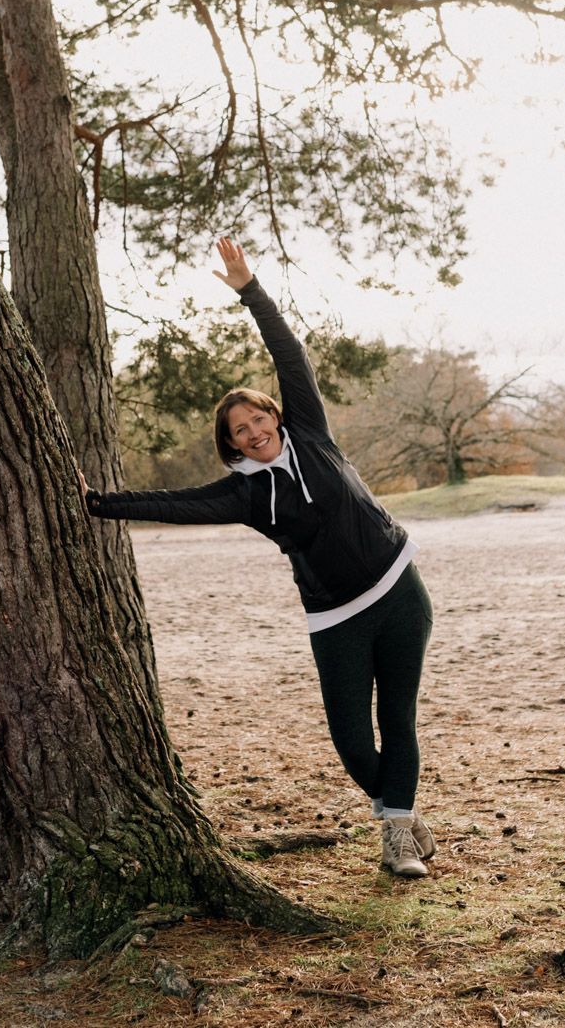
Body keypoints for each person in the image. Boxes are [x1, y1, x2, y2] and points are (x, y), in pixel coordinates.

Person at [80, 237, 437, 878]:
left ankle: (397, 833)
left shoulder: (312, 434)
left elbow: (288, 353)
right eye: (239, 430)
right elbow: (176, 504)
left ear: (275, 414)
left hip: (398, 589)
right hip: (336, 618)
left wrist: (250, 290)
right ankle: (401, 811)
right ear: (231, 445)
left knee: (399, 719)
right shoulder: (245, 494)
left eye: (257, 418)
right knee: (353, 739)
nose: (253, 431)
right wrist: (100, 504)